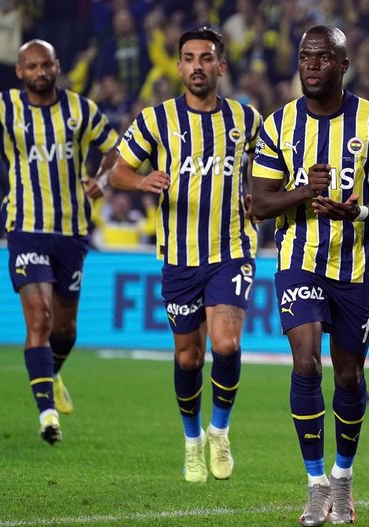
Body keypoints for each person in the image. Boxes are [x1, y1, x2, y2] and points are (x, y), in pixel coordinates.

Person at [251, 25, 369, 527]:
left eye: (322, 57)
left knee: (349, 376)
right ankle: (316, 485)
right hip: (299, 257)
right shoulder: (278, 125)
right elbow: (258, 205)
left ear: (344, 65)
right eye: (304, 57)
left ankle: (343, 476)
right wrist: (302, 192)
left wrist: (358, 213)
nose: (311, 65)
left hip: (356, 267)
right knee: (307, 362)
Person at [0, 39, 119, 445]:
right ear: (20, 71)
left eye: (47, 65)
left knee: (65, 328)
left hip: (71, 230)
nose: (41, 72)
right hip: (25, 226)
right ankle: (47, 415)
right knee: (39, 318)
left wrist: (104, 179)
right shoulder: (4, 106)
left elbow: (115, 149)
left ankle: (51, 373)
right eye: (33, 66)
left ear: (57, 67)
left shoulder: (81, 109)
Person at [110, 27, 262, 483]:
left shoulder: (247, 119)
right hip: (179, 257)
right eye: (190, 58)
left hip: (232, 250)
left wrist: (259, 195)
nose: (198, 65)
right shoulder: (156, 120)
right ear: (178, 67)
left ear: (221, 66)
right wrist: (142, 181)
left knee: (226, 344)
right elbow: (118, 171)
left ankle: (220, 431)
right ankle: (192, 440)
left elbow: (270, 168)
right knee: (188, 358)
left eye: (207, 57)